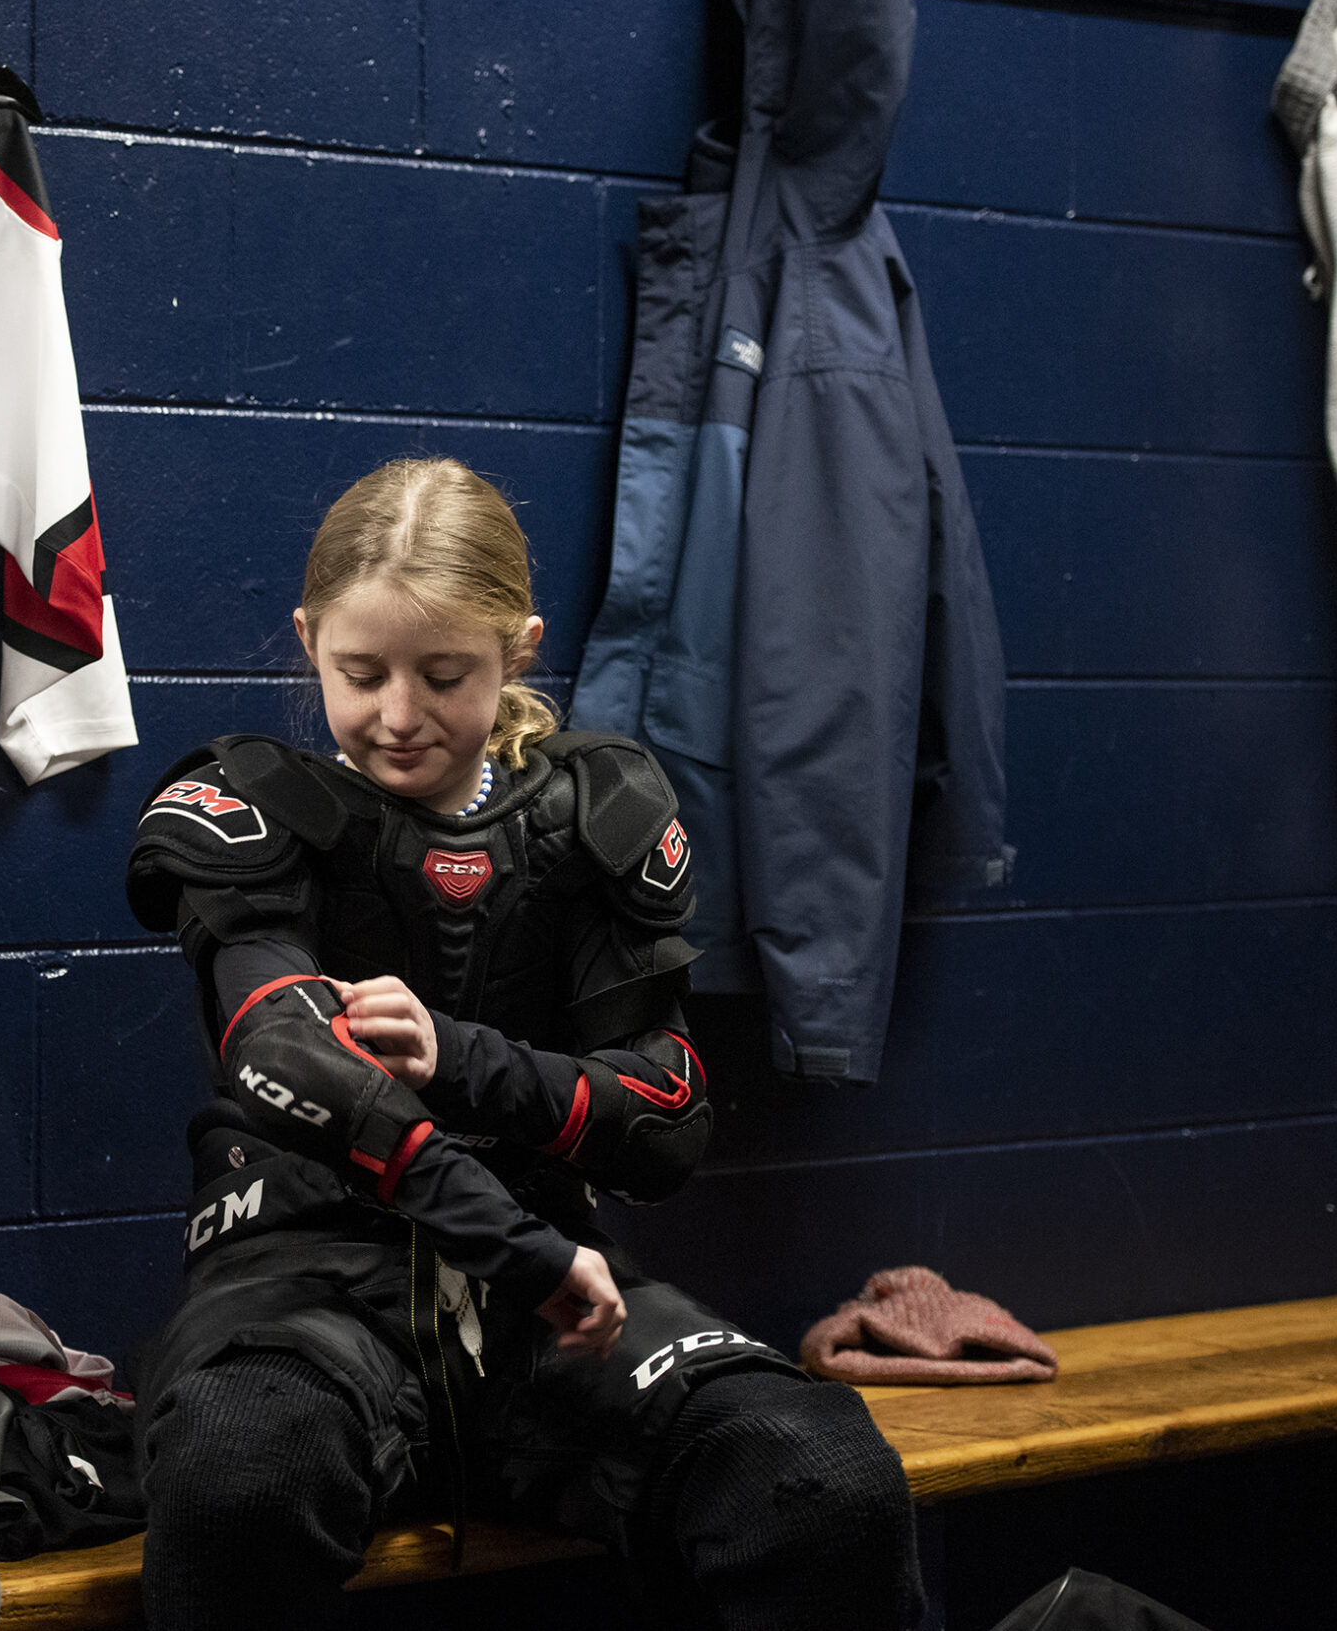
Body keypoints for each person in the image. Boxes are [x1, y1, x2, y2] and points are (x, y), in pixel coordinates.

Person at [122, 458, 923, 1630]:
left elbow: (666, 1116)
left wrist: (461, 1058)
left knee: (817, 1473)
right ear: (307, 642)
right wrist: (505, 1237)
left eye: (444, 674)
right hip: (304, 1283)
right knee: (239, 1475)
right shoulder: (254, 808)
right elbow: (281, 1048)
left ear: (518, 649)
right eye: (360, 672)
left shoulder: (594, 816)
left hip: (557, 1302)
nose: (399, 714)